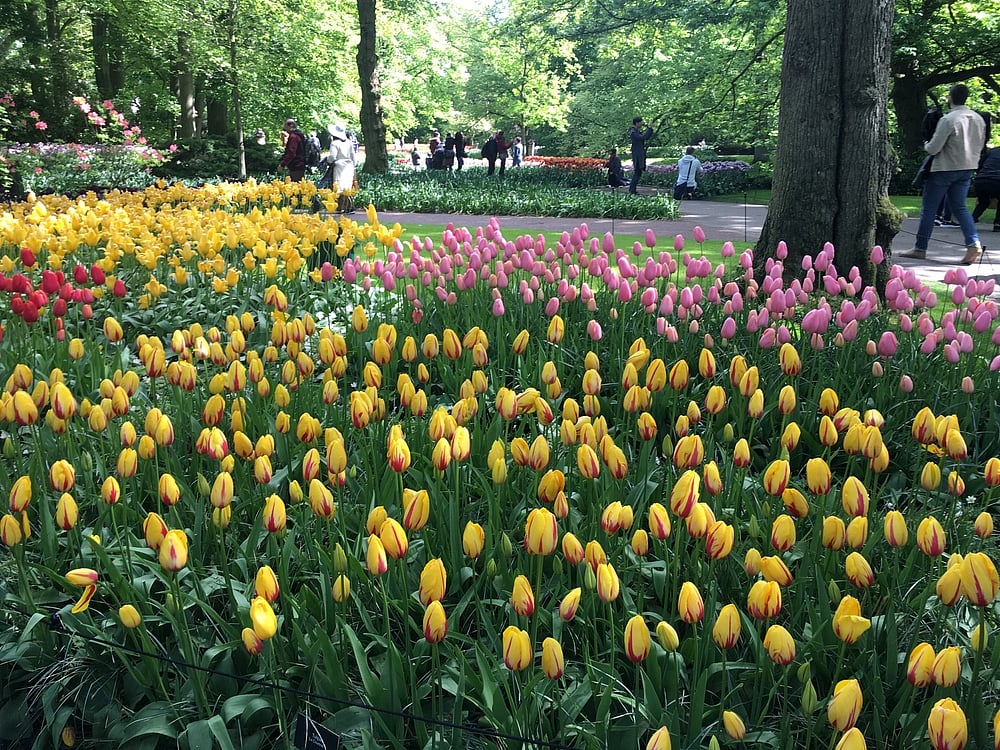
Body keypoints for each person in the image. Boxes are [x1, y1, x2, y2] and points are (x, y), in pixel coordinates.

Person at [901, 84, 986, 264]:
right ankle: (973, 242)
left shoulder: (948, 119)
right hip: (967, 168)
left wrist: (925, 142)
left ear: (951, 97)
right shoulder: (978, 119)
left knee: (929, 209)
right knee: (960, 207)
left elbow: (933, 149)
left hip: (944, 168)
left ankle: (920, 247)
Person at [322, 123, 357, 212]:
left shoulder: (335, 143)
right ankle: (349, 206)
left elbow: (332, 157)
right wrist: (353, 166)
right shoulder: (349, 142)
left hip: (339, 167)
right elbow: (353, 156)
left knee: (338, 186)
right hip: (349, 167)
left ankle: (340, 207)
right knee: (347, 186)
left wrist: (327, 161)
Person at [973, 145, 1000, 232]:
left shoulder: (992, 151)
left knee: (983, 202)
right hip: (997, 180)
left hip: (981, 180)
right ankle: (998, 224)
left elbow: (979, 165)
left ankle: (971, 220)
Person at [628, 116, 654, 194]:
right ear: (637, 123)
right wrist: (649, 128)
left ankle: (632, 189)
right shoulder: (633, 132)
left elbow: (645, 137)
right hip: (637, 155)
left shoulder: (636, 131)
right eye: (641, 122)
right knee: (637, 172)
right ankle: (632, 190)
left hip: (638, 154)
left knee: (638, 172)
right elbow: (644, 137)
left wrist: (650, 129)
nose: (642, 124)